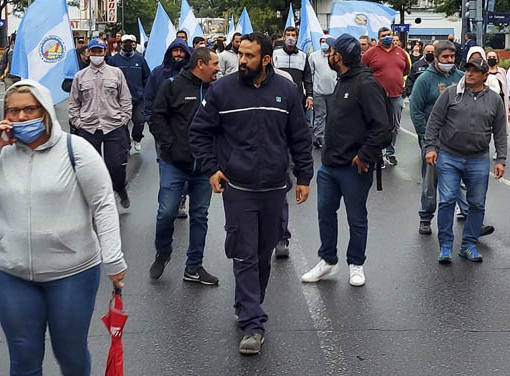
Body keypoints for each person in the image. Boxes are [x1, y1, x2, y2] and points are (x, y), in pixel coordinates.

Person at [0, 80, 126, 373]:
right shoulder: (2, 154)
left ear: (45, 110)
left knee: (70, 354)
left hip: (72, 273)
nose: (20, 117)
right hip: (11, 273)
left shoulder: (75, 149)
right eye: (13, 111)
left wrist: (113, 260)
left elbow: (104, 204)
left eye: (29, 109)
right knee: (23, 358)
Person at [189, 32, 313, 356]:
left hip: (274, 188)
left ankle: (247, 303)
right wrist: (212, 169)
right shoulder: (222, 90)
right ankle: (252, 324)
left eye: (249, 56)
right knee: (244, 254)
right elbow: (199, 132)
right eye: (240, 54)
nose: (242, 61)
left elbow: (300, 136)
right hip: (239, 188)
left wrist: (304, 176)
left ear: (266, 60)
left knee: (262, 255)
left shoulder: (286, 91)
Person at [300, 34, 390, 286]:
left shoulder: (366, 84)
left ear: (339, 56)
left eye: (331, 50)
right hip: (329, 166)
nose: (328, 54)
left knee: (356, 217)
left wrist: (365, 156)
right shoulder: (343, 80)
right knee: (325, 213)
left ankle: (356, 264)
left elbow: (382, 127)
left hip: (354, 168)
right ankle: (327, 261)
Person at [149, 47, 221, 286]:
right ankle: (163, 251)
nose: (218, 68)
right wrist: (169, 146)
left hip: (204, 167)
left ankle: (194, 267)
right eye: (215, 64)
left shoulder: (217, 91)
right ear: (200, 65)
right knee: (167, 212)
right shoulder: (172, 86)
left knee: (200, 216)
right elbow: (157, 118)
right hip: (174, 163)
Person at [425, 56, 507, 263]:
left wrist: (501, 159)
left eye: (475, 71)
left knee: (477, 204)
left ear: (485, 76)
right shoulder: (451, 94)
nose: (469, 73)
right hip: (449, 156)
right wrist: (430, 147)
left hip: (478, 159)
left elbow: (500, 132)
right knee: (447, 201)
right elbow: (434, 121)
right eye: (468, 70)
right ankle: (445, 246)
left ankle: (468, 245)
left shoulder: (494, 100)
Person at [68, 38, 133, 209]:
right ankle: (96, 202)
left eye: (100, 51)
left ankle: (120, 187)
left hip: (113, 126)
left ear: (105, 52)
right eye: (93, 51)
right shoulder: (80, 76)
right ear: (88, 53)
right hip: (88, 128)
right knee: (90, 169)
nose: (96, 54)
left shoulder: (116, 73)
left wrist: (123, 119)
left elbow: (125, 99)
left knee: (116, 165)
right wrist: (78, 122)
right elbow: (74, 103)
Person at [409, 40, 463, 235]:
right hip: (433, 141)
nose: (450, 60)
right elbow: (416, 110)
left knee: (460, 181)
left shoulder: (461, 77)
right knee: (430, 183)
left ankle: (468, 214)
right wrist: (426, 137)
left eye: (452, 57)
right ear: (437, 58)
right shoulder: (425, 80)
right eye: (445, 57)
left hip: (457, 141)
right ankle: (425, 216)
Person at [144, 39, 194, 219]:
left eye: (182, 51)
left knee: (188, 171)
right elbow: (148, 100)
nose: (178, 55)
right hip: (163, 132)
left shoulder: (193, 74)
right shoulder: (158, 73)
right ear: (169, 53)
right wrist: (152, 124)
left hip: (188, 133)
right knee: (167, 170)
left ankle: (181, 198)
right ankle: (166, 203)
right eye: (175, 51)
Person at [362, 26, 410, 166]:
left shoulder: (401, 52)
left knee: (394, 126)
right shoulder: (371, 53)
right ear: (378, 38)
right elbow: (362, 70)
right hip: (377, 97)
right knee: (378, 126)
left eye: (389, 34)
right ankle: (378, 154)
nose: (387, 37)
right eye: (383, 35)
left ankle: (390, 153)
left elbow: (406, 70)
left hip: (396, 95)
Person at [108, 34, 150, 152]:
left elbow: (147, 77)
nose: (127, 45)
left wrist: (145, 93)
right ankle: (126, 144)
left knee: (139, 120)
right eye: (124, 42)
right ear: (120, 44)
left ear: (134, 44)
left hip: (138, 98)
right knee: (122, 123)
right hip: (119, 99)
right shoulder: (113, 60)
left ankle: (136, 138)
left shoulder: (140, 59)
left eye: (130, 42)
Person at [272, 26, 314, 113]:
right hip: (278, 94)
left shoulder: (303, 55)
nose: (290, 38)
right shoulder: (275, 53)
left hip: (297, 95)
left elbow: (307, 77)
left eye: (293, 35)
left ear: (297, 37)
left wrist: (309, 96)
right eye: (288, 35)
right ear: (283, 37)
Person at [309, 35, 337, 148]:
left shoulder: (335, 56)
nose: (324, 43)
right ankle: (318, 137)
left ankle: (330, 137)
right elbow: (310, 73)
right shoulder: (313, 56)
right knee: (320, 115)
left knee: (332, 115)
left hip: (333, 91)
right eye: (322, 41)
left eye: (326, 41)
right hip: (318, 91)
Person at [485, 50, 510, 114]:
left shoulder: (502, 71)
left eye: (494, 57)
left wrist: (508, 103)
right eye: (490, 57)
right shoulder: (484, 72)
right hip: (487, 101)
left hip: (501, 101)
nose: (492, 59)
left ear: (497, 59)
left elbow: (505, 88)